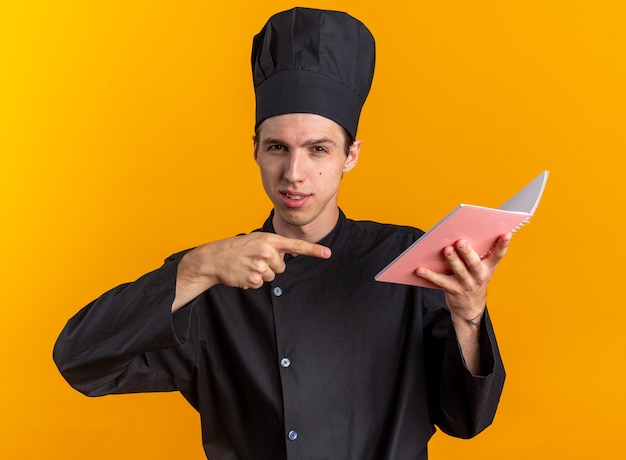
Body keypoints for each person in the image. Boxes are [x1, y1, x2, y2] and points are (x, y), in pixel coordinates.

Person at [54, 7, 508, 460]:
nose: (294, 173)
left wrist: (469, 317)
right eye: (277, 148)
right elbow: (80, 362)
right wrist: (197, 266)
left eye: (318, 150)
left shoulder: (407, 258)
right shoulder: (214, 278)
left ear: (350, 155)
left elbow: (466, 420)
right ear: (255, 150)